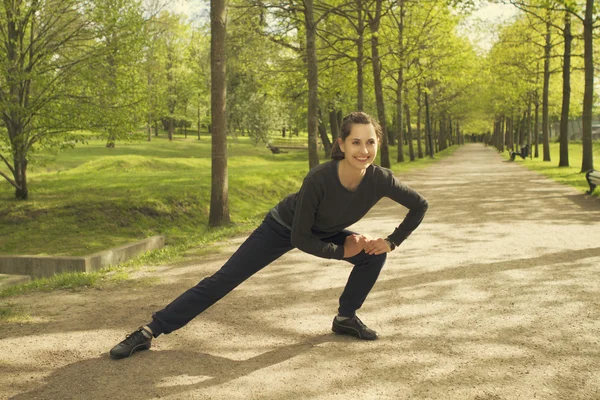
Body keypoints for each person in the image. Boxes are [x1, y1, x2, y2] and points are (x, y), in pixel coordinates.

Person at [110, 111, 428, 359]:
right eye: (356, 142)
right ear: (341, 144)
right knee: (223, 280)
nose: (364, 150)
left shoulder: (381, 179)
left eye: (370, 142)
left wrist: (390, 241)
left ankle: (345, 317)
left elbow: (419, 206)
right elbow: (301, 238)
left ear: (378, 144)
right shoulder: (318, 179)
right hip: (282, 229)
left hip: (325, 231)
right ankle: (149, 331)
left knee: (372, 254)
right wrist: (341, 251)